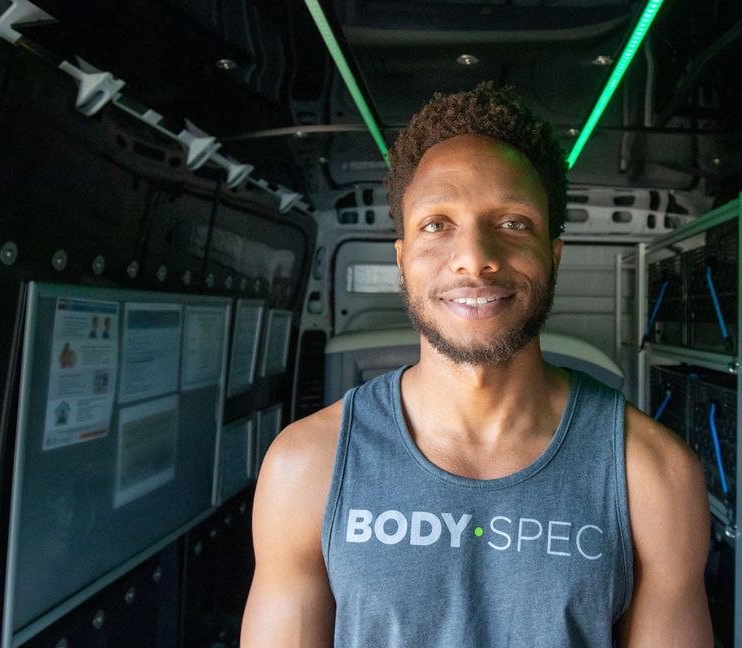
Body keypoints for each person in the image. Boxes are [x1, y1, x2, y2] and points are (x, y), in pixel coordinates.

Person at [242, 83, 712, 647]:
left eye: (513, 222)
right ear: (402, 257)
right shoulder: (305, 466)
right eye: (437, 224)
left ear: (553, 254)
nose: (474, 258)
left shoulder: (654, 475)